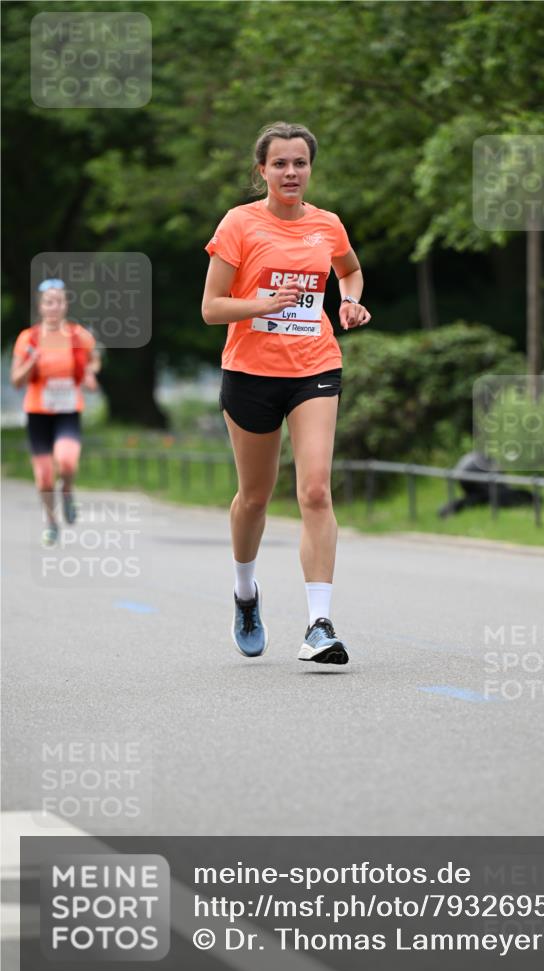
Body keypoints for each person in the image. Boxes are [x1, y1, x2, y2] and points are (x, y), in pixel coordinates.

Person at [202, 122, 371, 666]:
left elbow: (350, 270)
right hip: (251, 372)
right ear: (263, 171)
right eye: (280, 164)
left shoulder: (328, 225)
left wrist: (347, 301)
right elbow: (210, 308)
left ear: (310, 168)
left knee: (316, 491)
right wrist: (262, 304)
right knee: (254, 497)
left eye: (300, 163)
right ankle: (246, 593)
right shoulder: (239, 224)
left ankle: (320, 625)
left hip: (314, 367)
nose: (291, 172)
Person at [11, 278, 101, 545]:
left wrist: (89, 375)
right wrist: (32, 362)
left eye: (58, 301)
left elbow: (93, 361)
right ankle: (51, 521)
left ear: (65, 305)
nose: (53, 307)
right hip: (38, 411)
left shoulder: (78, 336)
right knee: (44, 476)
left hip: (68, 409)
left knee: (68, 461)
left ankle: (68, 492)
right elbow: (16, 380)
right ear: (41, 306)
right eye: (48, 302)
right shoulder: (28, 339)